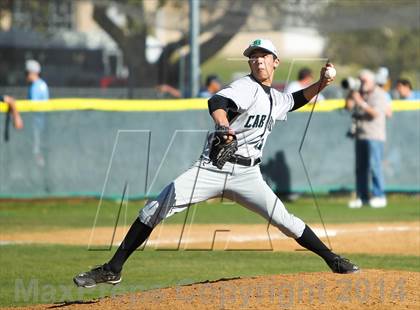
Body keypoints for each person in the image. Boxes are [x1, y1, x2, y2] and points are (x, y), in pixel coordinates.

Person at [73, 38, 359, 288]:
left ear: (275, 62)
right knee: (155, 208)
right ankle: (113, 268)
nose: (257, 59)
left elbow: (294, 100)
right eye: (253, 56)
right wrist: (223, 125)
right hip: (213, 168)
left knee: (286, 220)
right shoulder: (245, 87)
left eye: (263, 55)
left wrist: (321, 84)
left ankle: (333, 260)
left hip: (249, 175)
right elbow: (218, 101)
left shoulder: (275, 97)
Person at [345, 69, 389, 209]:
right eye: (359, 80)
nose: (361, 83)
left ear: (372, 81)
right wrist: (352, 93)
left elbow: (375, 113)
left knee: (375, 166)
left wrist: (361, 102)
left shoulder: (379, 94)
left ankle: (379, 195)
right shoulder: (359, 93)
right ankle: (362, 197)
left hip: (374, 135)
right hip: (360, 135)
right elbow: (348, 107)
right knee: (360, 168)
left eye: (363, 80)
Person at [25, 59, 49, 166]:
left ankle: (38, 174)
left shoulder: (34, 86)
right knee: (42, 149)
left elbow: (32, 107)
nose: (25, 75)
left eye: (27, 73)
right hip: (45, 123)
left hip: (36, 124)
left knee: (36, 151)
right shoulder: (43, 84)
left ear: (33, 72)